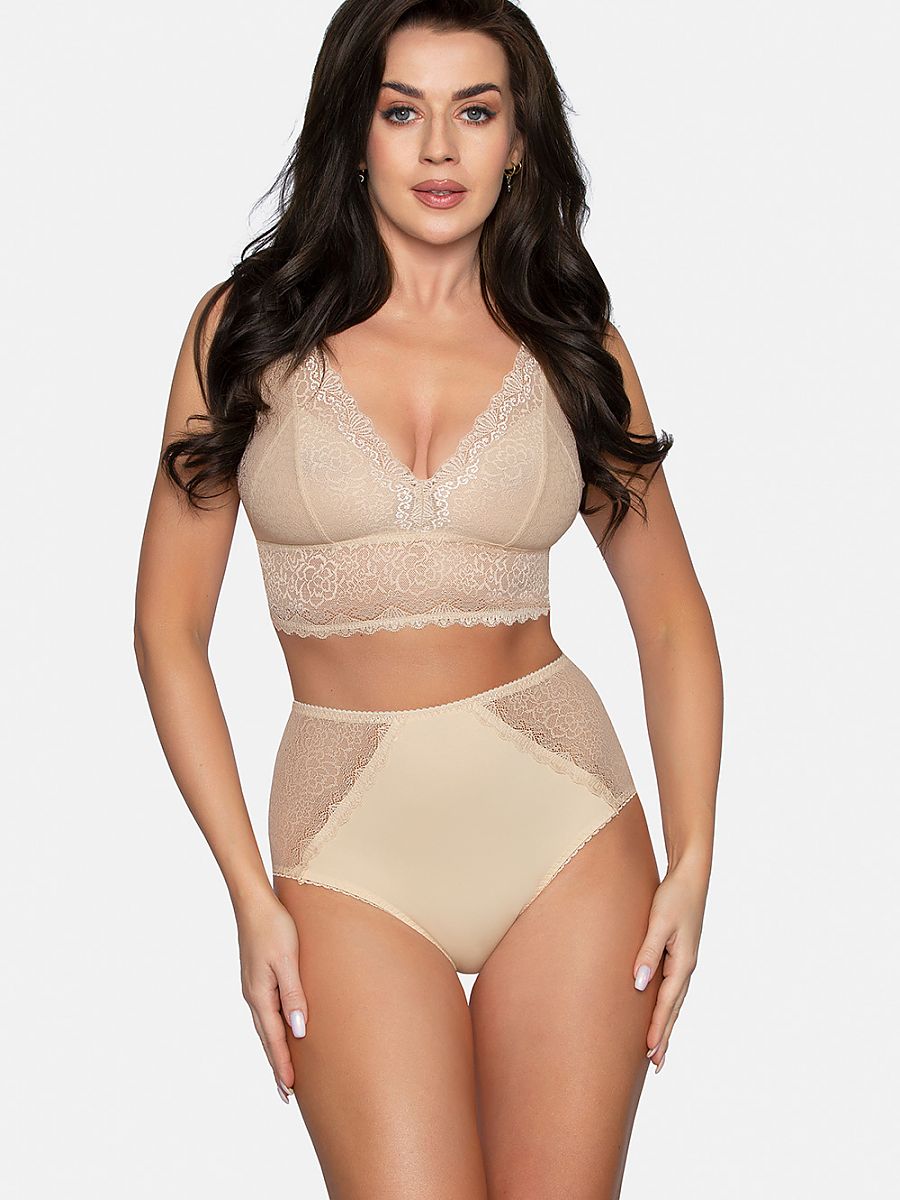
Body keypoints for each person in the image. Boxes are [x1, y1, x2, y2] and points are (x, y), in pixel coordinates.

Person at [134, 2, 722, 1196]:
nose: (441, 149)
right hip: (345, 845)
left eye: (476, 111)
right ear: (355, 132)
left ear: (520, 141)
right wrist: (247, 893)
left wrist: (696, 858)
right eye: (404, 111)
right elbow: (168, 631)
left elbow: (670, 618)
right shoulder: (244, 331)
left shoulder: (574, 342)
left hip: (566, 827)